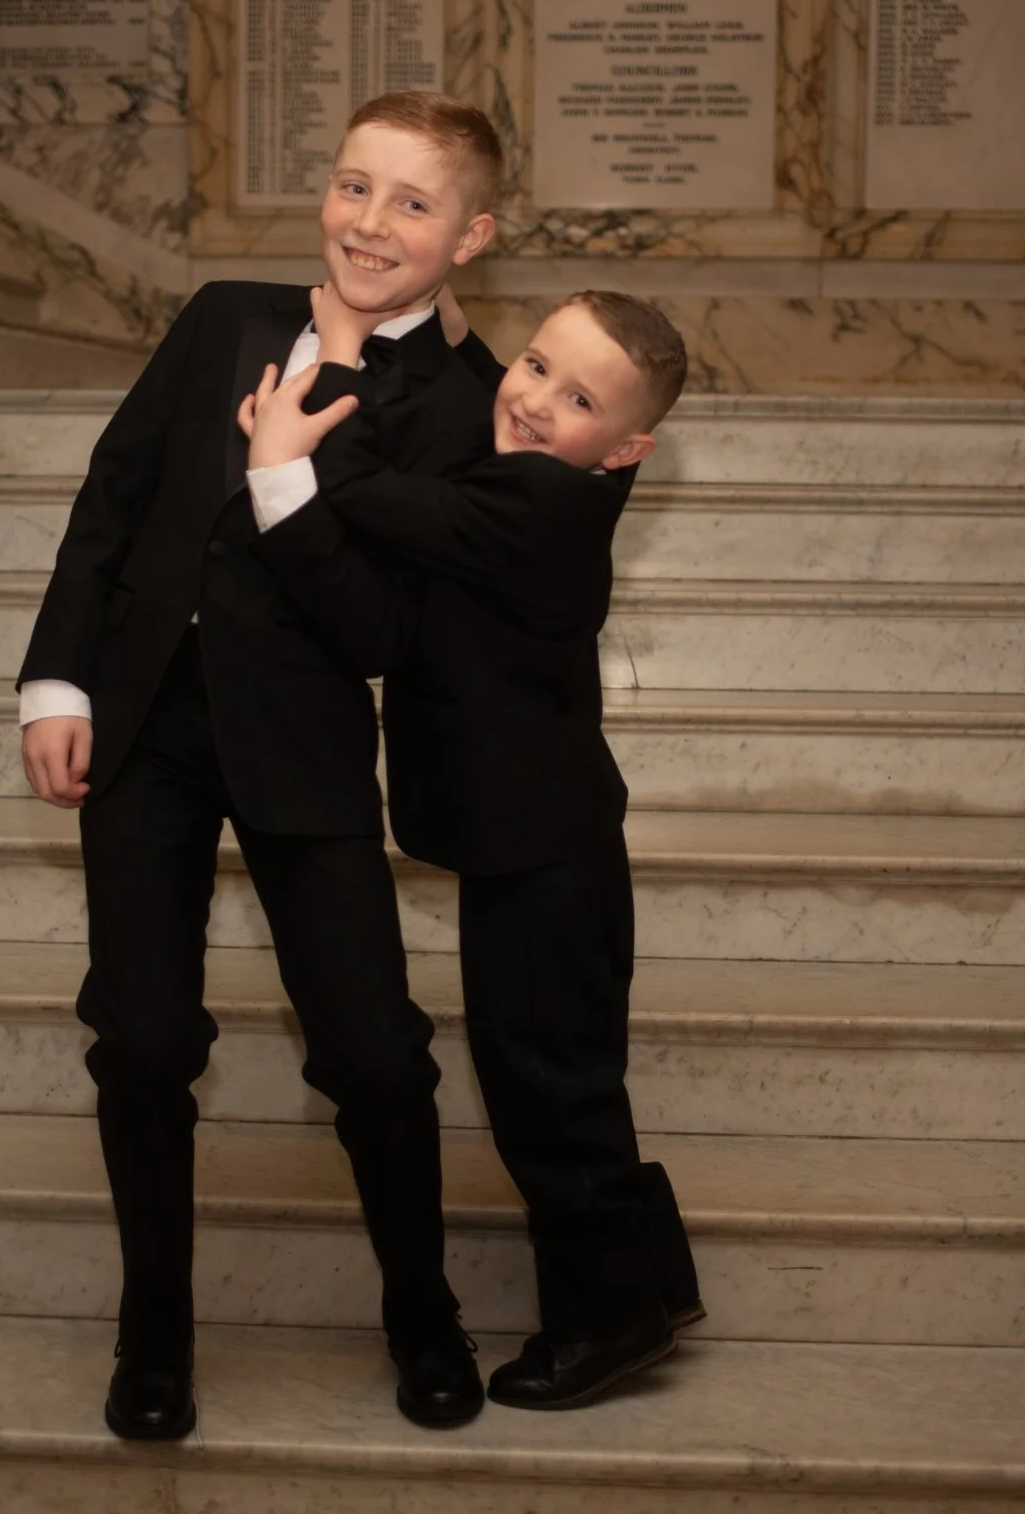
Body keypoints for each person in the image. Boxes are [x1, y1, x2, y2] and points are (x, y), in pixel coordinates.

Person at [15, 90, 508, 1440]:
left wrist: (291, 475)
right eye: (356, 186)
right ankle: (154, 1333)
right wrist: (58, 677)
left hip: (302, 741)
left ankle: (425, 1314)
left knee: (376, 1049)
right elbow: (115, 495)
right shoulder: (224, 314)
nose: (372, 221)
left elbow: (384, 626)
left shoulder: (463, 406)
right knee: (145, 1034)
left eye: (414, 202)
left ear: (472, 235)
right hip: (144, 727)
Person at [236, 288, 701, 1409]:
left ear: (627, 447)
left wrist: (298, 432)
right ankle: (652, 1280)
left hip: (541, 848)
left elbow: (367, 494)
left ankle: (604, 1322)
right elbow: (526, 396)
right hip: (543, 838)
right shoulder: (577, 477)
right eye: (535, 364)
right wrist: (460, 343)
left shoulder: (535, 505)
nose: (535, 399)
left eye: (576, 397)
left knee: (545, 1088)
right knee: (568, 1072)